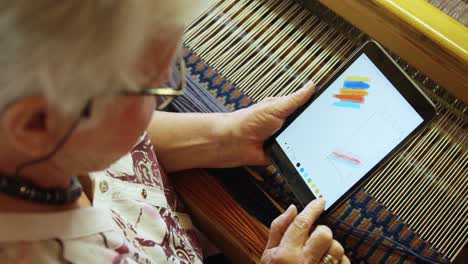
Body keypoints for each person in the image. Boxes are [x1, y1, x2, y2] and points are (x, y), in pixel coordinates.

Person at [0, 1, 349, 263]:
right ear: (35, 124)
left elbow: (115, 145)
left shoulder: (38, 131)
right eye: (154, 87)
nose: (164, 97)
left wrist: (227, 135)